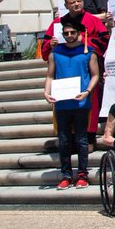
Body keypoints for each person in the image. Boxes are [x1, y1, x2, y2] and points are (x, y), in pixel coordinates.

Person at [43, 14, 100, 190]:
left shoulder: (88, 53)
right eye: (66, 33)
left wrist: (87, 92)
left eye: (72, 32)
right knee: (64, 140)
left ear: (79, 33)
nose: (68, 36)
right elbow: (50, 75)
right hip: (61, 103)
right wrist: (46, 93)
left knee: (82, 140)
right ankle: (66, 174)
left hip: (81, 102)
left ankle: (82, 174)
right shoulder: (56, 53)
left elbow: (95, 75)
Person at [40, 0, 108, 139]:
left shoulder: (93, 20)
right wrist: (50, 45)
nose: (76, 4)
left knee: (90, 103)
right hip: (64, 69)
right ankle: (67, 139)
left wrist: (84, 41)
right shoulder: (58, 23)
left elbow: (105, 43)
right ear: (66, 6)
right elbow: (45, 51)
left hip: (86, 69)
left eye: (79, 1)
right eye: (72, 2)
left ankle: (89, 138)